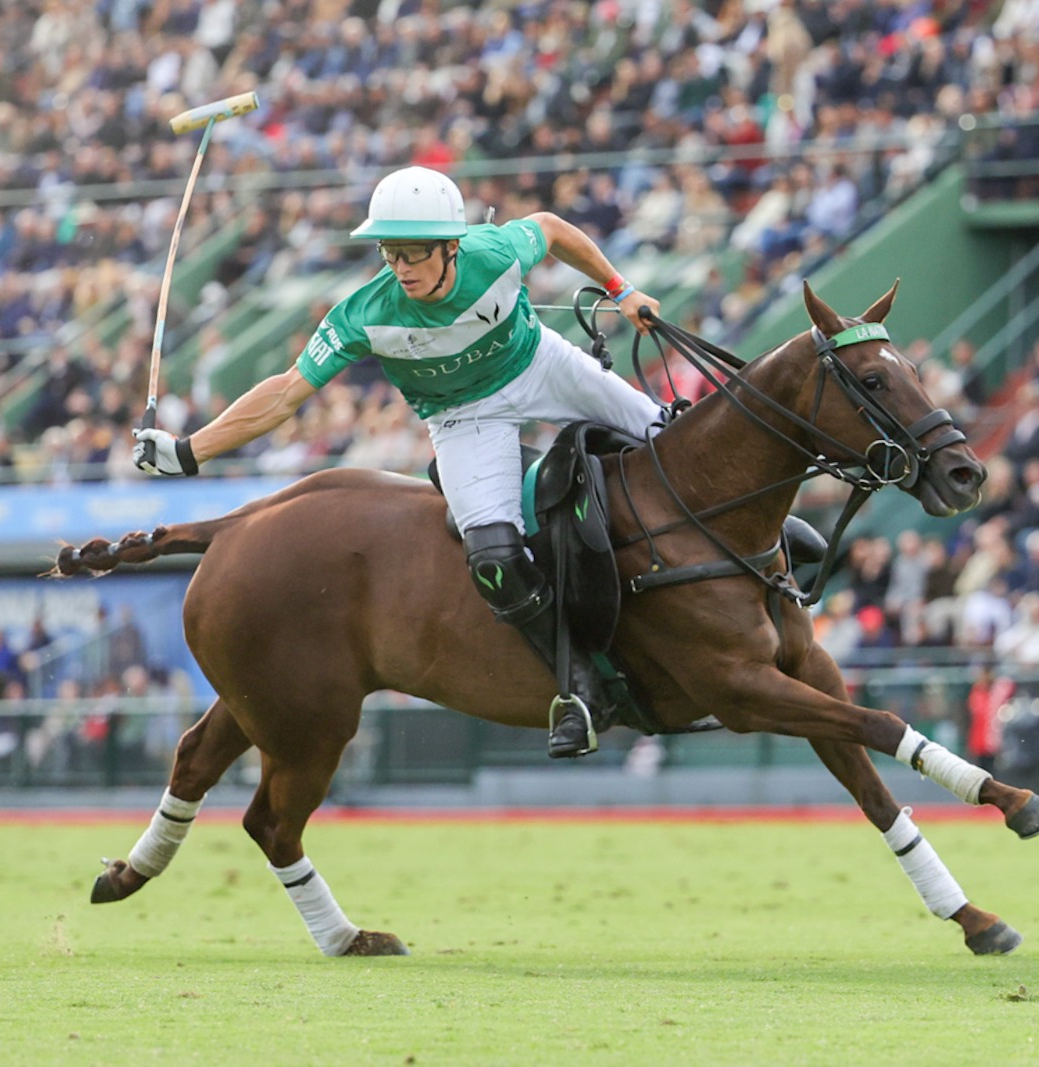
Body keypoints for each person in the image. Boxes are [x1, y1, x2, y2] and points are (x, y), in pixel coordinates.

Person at [132, 167, 667, 759]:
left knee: (671, 438)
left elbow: (552, 228)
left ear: (451, 247)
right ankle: (579, 685)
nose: (401, 267)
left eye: (414, 253)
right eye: (391, 253)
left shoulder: (494, 252)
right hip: (465, 418)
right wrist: (188, 450)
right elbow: (286, 392)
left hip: (541, 364)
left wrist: (623, 291)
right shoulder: (364, 314)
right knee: (493, 556)